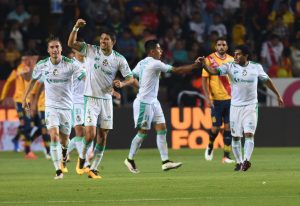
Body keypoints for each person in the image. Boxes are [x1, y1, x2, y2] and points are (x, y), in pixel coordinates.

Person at [197, 45, 284, 171]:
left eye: (238, 54)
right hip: (235, 107)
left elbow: (267, 80)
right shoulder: (230, 66)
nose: (235, 56)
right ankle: (238, 162)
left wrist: (277, 95)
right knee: (236, 137)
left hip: (251, 106)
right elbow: (213, 71)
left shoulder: (256, 67)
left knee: (249, 134)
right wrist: (204, 65)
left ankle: (246, 161)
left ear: (246, 55)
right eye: (235, 54)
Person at [68, 19, 134, 179]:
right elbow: (71, 43)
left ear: (113, 42)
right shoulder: (91, 50)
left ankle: (94, 169)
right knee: (89, 135)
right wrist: (76, 27)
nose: (103, 41)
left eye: (106, 39)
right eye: (102, 38)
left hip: (106, 100)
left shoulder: (119, 59)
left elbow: (131, 78)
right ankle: (82, 159)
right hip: (90, 98)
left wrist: (122, 83)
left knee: (103, 136)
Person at [124, 39, 201, 174]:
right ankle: (129, 159)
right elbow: (176, 70)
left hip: (154, 101)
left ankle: (165, 162)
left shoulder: (142, 63)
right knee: (143, 132)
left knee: (162, 129)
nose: (161, 51)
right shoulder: (155, 63)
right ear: (152, 51)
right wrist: (194, 66)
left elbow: (131, 77)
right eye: (159, 49)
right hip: (144, 102)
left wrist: (137, 85)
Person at [22, 36, 85, 179]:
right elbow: (32, 81)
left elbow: (84, 77)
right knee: (54, 136)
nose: (55, 49)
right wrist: (24, 98)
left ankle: (64, 153)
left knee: (64, 140)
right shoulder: (42, 65)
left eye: (57, 47)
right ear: (48, 50)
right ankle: (58, 170)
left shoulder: (71, 64)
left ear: (61, 49)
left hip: (67, 107)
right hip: (51, 107)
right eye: (52, 47)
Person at [202, 38, 235, 164]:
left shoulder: (232, 60)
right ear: (216, 46)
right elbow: (204, 81)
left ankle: (226, 156)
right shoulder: (209, 60)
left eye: (224, 45)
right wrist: (207, 97)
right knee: (215, 128)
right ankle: (210, 146)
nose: (221, 47)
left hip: (230, 99)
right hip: (216, 100)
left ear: (227, 47)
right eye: (219, 45)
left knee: (228, 127)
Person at [0, 52, 38, 158]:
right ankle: (27, 151)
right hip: (19, 101)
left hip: (28, 101)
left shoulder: (31, 70)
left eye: (28, 58)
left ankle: (16, 139)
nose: (27, 60)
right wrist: (3, 97)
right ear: (22, 60)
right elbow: (8, 83)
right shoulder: (19, 70)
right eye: (25, 59)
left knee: (28, 125)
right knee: (25, 124)